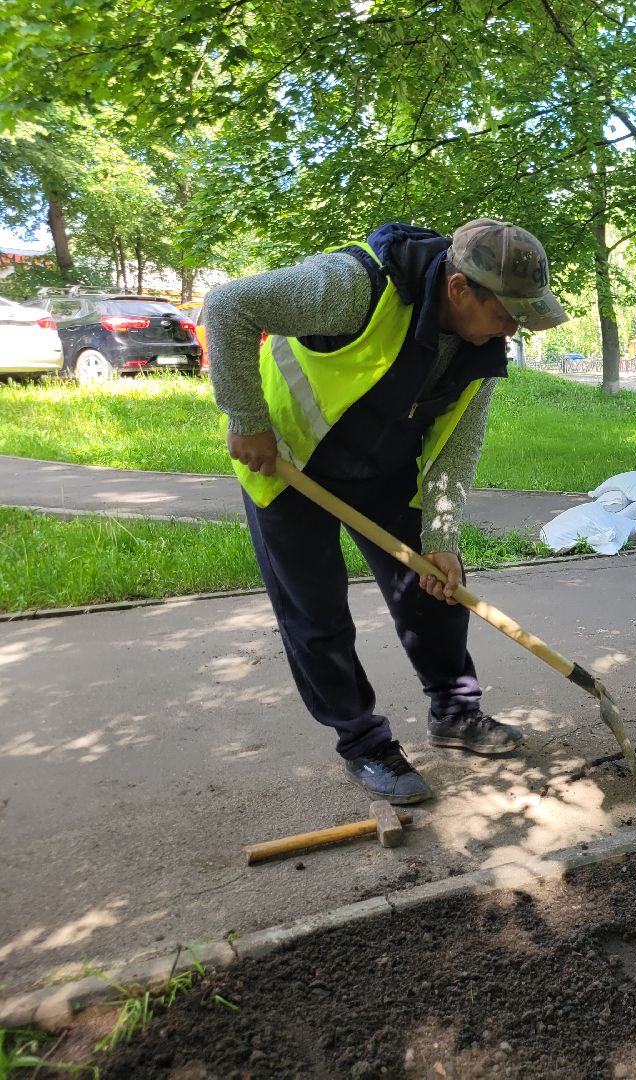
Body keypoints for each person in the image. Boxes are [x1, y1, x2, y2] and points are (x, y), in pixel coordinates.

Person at [206, 219, 568, 805]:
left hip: (384, 465)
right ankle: (364, 743)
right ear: (459, 289)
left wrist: (441, 538)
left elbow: (456, 446)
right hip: (291, 460)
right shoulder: (355, 287)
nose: (512, 329)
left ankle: (454, 712)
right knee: (317, 614)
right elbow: (228, 307)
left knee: (437, 588)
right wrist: (247, 419)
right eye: (506, 314)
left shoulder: (482, 348)